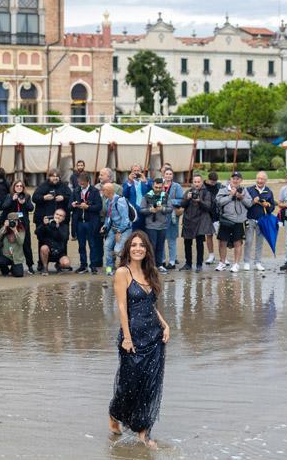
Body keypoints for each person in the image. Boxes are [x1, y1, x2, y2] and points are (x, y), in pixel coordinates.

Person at [108, 231, 170, 449]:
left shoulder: (150, 272)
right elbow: (123, 306)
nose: (137, 248)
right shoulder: (122, 273)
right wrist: (126, 337)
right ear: (128, 249)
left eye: (141, 245)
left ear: (147, 250)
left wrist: (165, 324)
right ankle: (115, 414)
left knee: (149, 386)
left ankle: (144, 432)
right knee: (129, 384)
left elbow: (150, 305)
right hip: (132, 337)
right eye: (133, 245)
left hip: (154, 337)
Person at [214, 172, 252, 273]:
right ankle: (222, 263)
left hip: (239, 221)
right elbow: (218, 202)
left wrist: (242, 197)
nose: (235, 180)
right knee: (222, 242)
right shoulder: (223, 190)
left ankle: (236, 264)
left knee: (238, 242)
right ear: (230, 179)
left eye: (237, 179)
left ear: (241, 180)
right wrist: (230, 196)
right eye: (233, 178)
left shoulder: (244, 191)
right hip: (226, 220)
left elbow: (249, 204)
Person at [70, 172, 103, 274]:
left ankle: (93, 265)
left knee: (92, 245)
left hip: (91, 222)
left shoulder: (95, 191)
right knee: (81, 245)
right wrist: (73, 205)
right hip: (79, 222)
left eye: (83, 183)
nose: (81, 185)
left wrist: (88, 207)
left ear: (88, 181)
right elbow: (69, 206)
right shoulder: (76, 191)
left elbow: (99, 206)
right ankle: (83, 265)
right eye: (80, 182)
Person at [179, 174, 213, 272]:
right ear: (192, 182)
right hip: (188, 221)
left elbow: (208, 207)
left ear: (202, 182)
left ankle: (199, 264)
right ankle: (188, 263)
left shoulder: (206, 193)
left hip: (201, 221)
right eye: (195, 182)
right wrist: (187, 199)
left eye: (198, 182)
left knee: (199, 244)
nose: (197, 184)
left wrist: (199, 201)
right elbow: (182, 205)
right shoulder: (188, 192)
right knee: (187, 243)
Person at [244, 171, 275, 272]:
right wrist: (254, 201)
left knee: (259, 242)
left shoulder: (269, 191)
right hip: (250, 218)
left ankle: (258, 262)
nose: (260, 180)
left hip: (262, 220)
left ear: (266, 180)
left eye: (262, 179)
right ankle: (246, 262)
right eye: (258, 178)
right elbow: (245, 204)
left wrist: (268, 205)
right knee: (248, 241)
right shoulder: (249, 189)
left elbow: (272, 206)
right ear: (256, 179)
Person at [1, 180, 35, 274]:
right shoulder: (9, 196)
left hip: (23, 224)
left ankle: (30, 265)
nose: (19, 187)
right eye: (17, 186)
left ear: (23, 188)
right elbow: (4, 206)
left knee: (26, 245)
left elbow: (31, 208)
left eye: (21, 186)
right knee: (12, 243)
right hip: (12, 225)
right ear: (14, 187)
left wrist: (24, 202)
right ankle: (13, 264)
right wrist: (12, 200)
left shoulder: (27, 196)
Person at [101, 183, 132, 276]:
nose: (102, 192)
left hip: (124, 229)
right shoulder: (108, 201)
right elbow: (108, 216)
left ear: (109, 191)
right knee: (107, 247)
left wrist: (119, 231)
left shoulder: (120, 201)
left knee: (118, 250)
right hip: (113, 229)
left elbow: (125, 219)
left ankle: (127, 267)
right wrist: (105, 225)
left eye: (103, 190)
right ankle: (109, 269)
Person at [142, 178, 172, 273]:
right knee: (151, 247)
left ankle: (159, 265)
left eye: (160, 187)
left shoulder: (166, 196)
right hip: (151, 226)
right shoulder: (147, 196)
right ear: (152, 186)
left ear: (162, 186)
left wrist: (162, 208)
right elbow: (141, 210)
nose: (158, 189)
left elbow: (170, 209)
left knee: (160, 246)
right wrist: (150, 210)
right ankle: (150, 266)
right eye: (156, 187)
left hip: (162, 225)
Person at [35, 208, 72, 275]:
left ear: (63, 218)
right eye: (57, 214)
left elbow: (65, 238)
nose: (58, 216)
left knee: (66, 264)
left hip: (59, 252)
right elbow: (37, 232)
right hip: (47, 251)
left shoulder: (65, 227)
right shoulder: (47, 223)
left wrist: (58, 227)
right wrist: (44, 224)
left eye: (60, 215)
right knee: (44, 248)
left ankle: (58, 265)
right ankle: (45, 268)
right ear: (53, 215)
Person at [160, 168, 184, 270]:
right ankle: (162, 261)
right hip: (160, 216)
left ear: (172, 176)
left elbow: (181, 200)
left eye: (170, 174)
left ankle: (172, 261)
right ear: (163, 175)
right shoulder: (159, 185)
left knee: (171, 239)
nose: (168, 176)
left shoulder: (176, 186)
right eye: (167, 174)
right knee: (161, 240)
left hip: (172, 216)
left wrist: (168, 200)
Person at [0, 212, 26, 277]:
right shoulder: (5, 229)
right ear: (8, 221)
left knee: (19, 274)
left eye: (15, 220)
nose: (13, 222)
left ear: (18, 221)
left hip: (17, 257)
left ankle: (13, 268)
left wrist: (15, 231)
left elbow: (21, 242)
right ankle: (6, 271)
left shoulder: (21, 229)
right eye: (11, 220)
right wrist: (4, 227)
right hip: (6, 255)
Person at [122, 165, 152, 232]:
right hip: (134, 211)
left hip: (146, 210)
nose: (136, 172)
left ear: (141, 172)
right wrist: (129, 182)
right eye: (134, 171)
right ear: (131, 172)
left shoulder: (148, 181)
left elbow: (153, 191)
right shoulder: (127, 183)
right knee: (134, 233)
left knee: (146, 233)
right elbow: (124, 195)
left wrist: (146, 182)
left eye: (138, 171)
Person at [203, 171, 223, 265]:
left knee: (220, 237)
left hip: (218, 215)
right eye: (212, 182)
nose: (213, 183)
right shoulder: (203, 186)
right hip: (206, 215)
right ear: (208, 179)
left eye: (215, 182)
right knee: (209, 236)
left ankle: (223, 257)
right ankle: (211, 255)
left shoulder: (219, 186)